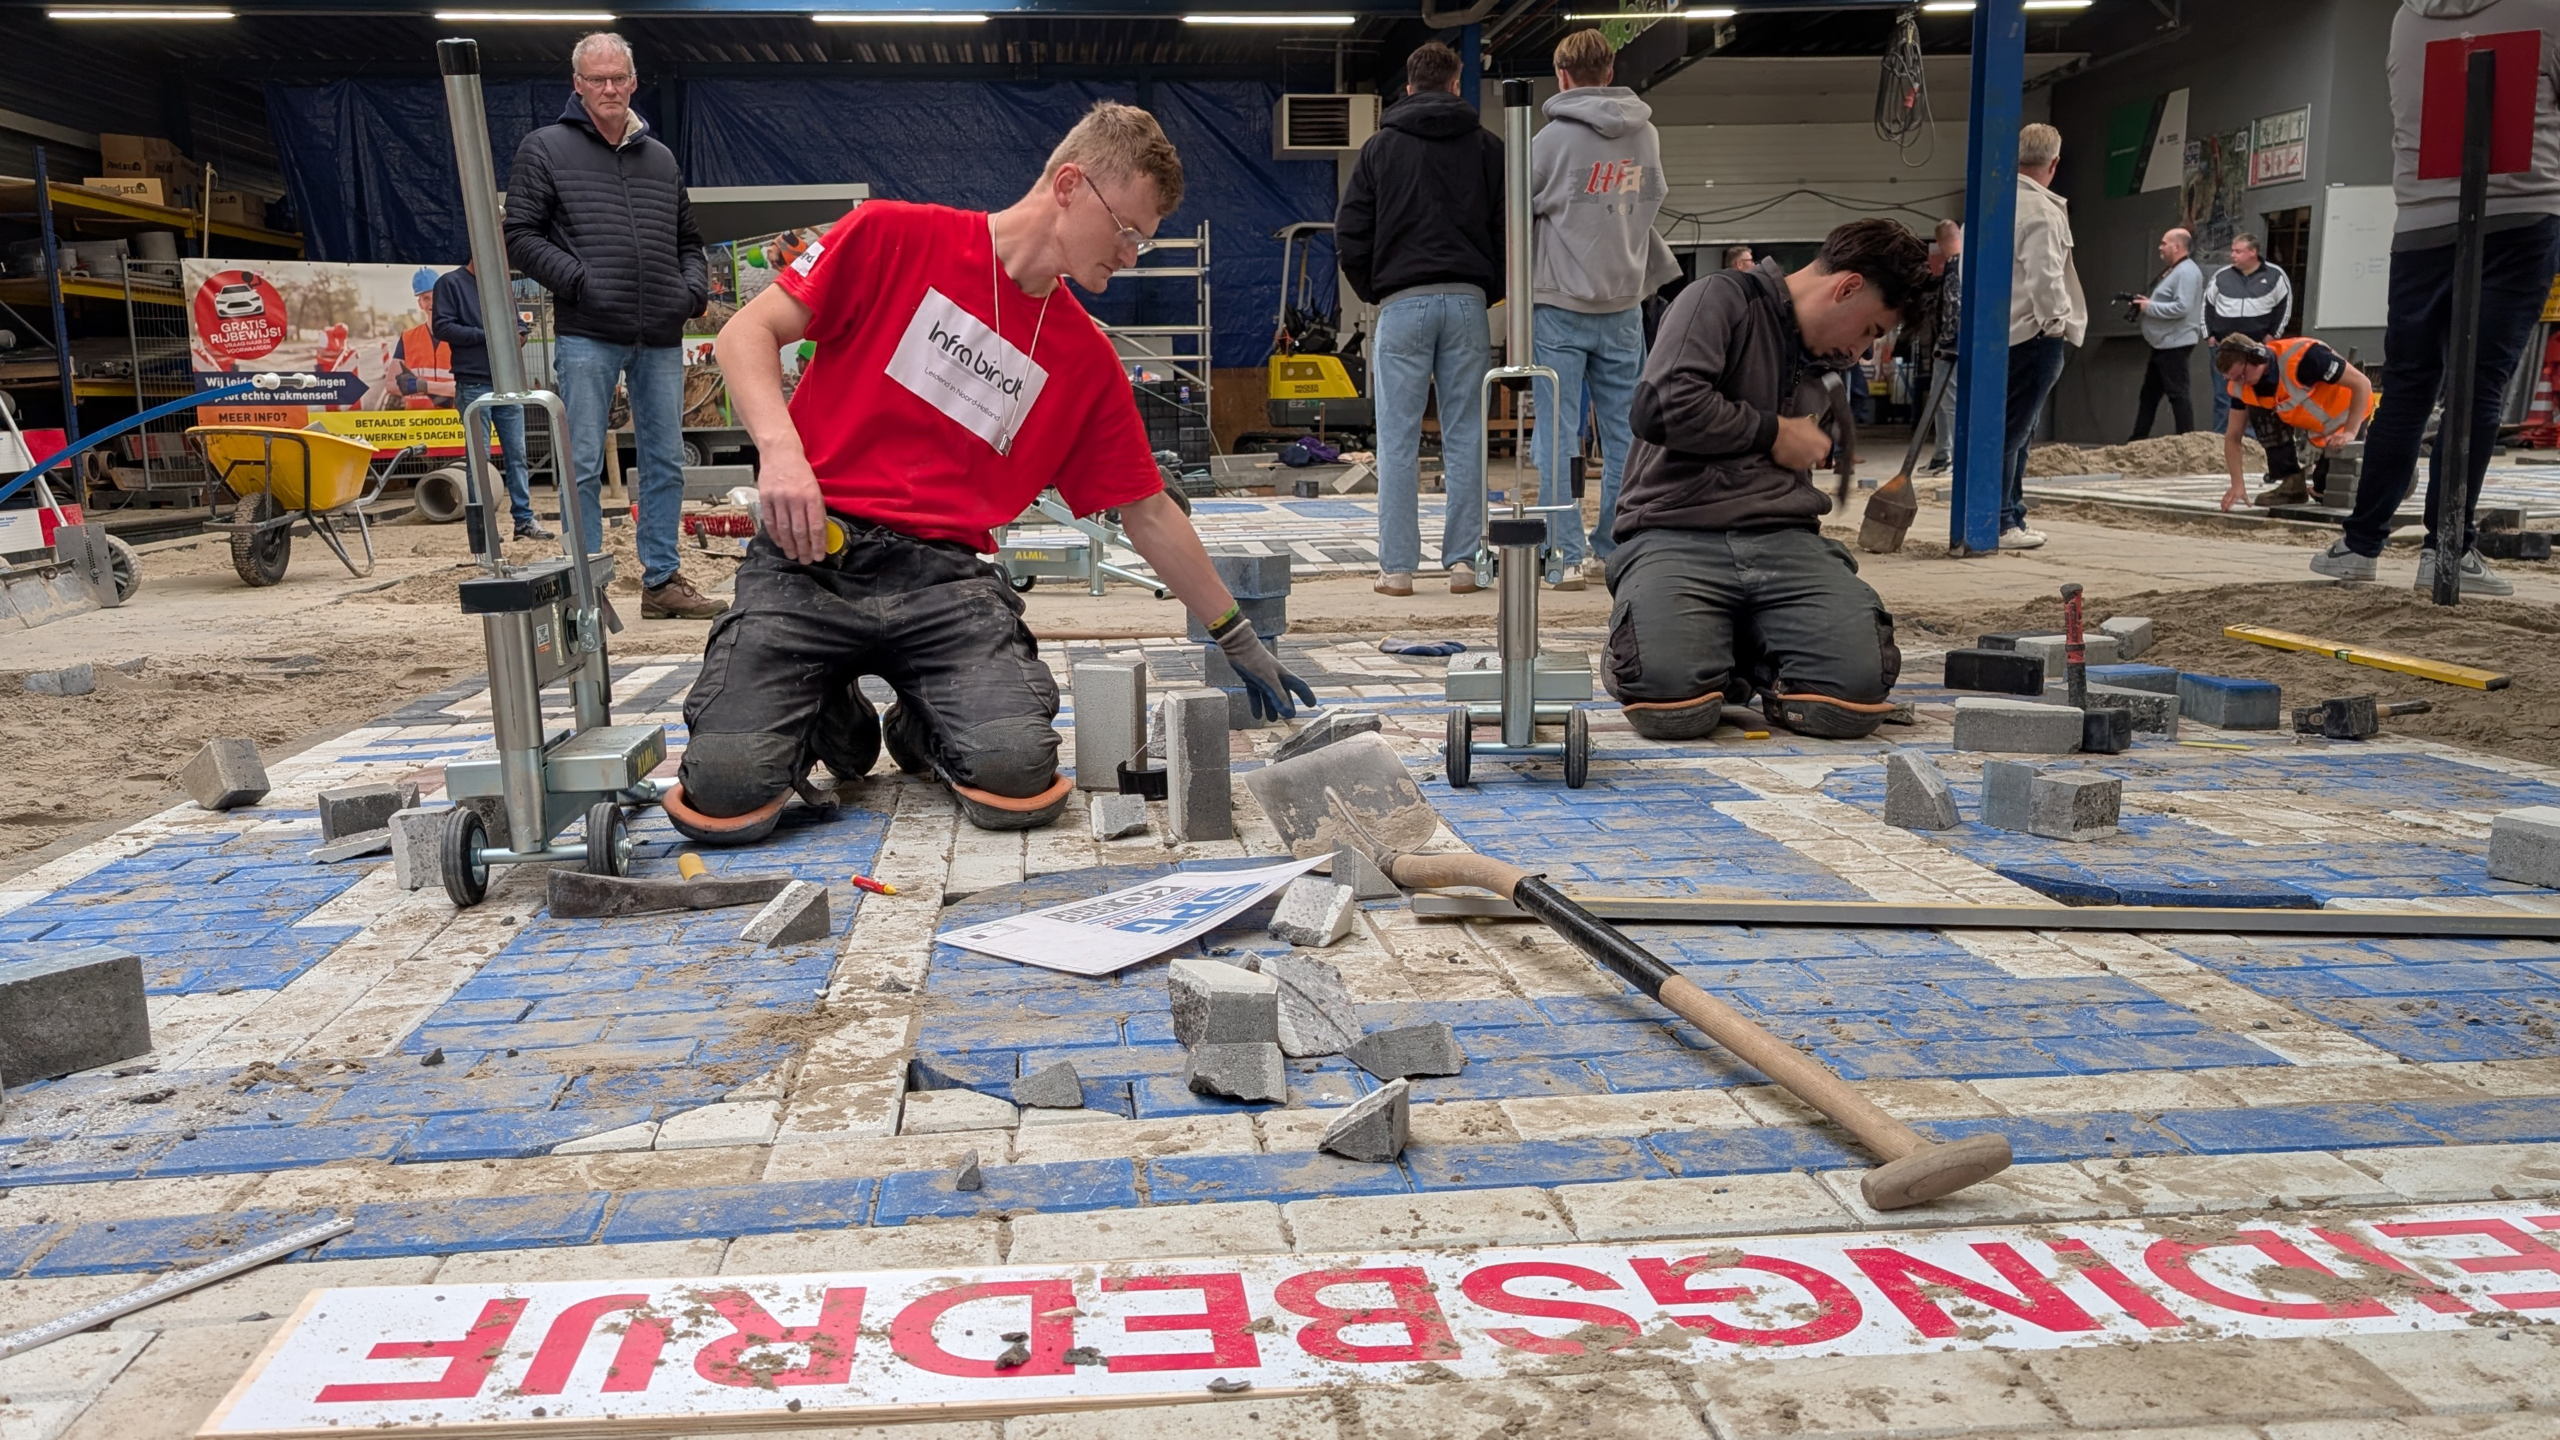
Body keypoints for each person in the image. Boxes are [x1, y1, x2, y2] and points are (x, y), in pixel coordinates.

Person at [674, 102, 1313, 844]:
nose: (1133, 254)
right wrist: (781, 452)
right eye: (1129, 231)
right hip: (809, 558)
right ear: (1070, 185)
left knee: (1016, 774)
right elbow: (745, 332)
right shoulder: (890, 235)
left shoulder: (1083, 361)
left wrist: (1236, 636)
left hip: (942, 583)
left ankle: (925, 721)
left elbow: (1150, 512)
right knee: (722, 792)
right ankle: (829, 706)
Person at [1603, 218, 1932, 743]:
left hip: (1784, 542)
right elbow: (1659, 407)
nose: (1862, 350)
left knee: (1849, 701)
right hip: (1676, 531)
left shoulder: (1823, 360)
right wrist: (1771, 432)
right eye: (1870, 329)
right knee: (1668, 706)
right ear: (1846, 287)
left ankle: (1743, 641)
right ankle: (1697, 637)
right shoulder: (1719, 298)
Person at [2311, 0, 2560, 598]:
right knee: (2478, 387)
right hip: (2520, 214)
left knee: (2409, 386)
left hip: (2420, 222)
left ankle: (2361, 544)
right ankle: (2446, 548)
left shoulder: (2406, 18)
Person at [505, 31, 726, 621]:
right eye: (597, 79)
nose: (609, 89)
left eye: (619, 78)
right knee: (579, 461)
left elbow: (688, 240)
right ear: (577, 85)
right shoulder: (545, 148)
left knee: (664, 460)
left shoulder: (660, 157)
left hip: (659, 333)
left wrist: (692, 289)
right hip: (587, 332)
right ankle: (585, 580)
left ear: (633, 81)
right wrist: (581, 282)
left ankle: (661, 582)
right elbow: (520, 236)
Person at [1337, 41, 1505, 599]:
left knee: (1398, 440)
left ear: (1407, 86)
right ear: (1457, 84)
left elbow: (1351, 231)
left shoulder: (1379, 149)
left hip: (1402, 303)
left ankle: (1398, 570)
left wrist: (1378, 289)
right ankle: (1463, 563)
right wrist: (1487, 289)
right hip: (1466, 302)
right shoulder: (1487, 147)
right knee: (1464, 437)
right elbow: (1509, 230)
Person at [1528, 28, 1680, 592]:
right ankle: (1614, 547)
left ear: (1561, 75)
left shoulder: (1547, 142)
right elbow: (1651, 200)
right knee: (1627, 435)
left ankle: (1562, 554)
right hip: (1623, 304)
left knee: (1558, 433)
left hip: (1560, 303)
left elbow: (1517, 213)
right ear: (1610, 70)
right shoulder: (1647, 137)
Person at [2001, 122, 2086, 551]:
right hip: (2034, 336)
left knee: (2009, 429)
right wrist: (2056, 324)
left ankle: (2005, 514)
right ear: (2053, 164)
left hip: (2000, 335)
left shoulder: (1997, 201)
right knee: (2017, 432)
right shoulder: (2041, 211)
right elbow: (2046, 278)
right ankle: (2004, 519)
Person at [431, 260, 550, 541]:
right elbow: (443, 327)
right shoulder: (450, 283)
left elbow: (518, 323)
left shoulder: (501, 285)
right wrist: (490, 337)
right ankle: (484, 527)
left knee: (517, 454)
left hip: (508, 382)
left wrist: (519, 334)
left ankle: (523, 521)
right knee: (478, 458)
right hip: (473, 381)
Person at [2214, 333, 2375, 513]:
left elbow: (2362, 384)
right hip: (2318, 428)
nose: (2240, 383)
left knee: (2326, 489)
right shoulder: (2242, 387)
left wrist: (2350, 433)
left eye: (2242, 375)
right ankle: (2291, 484)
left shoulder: (2306, 358)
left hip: (2350, 416)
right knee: (2258, 409)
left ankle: (2392, 471)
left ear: (2257, 356)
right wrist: (2237, 485)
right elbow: (2233, 436)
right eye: (2232, 379)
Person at [2205, 231, 2292, 435]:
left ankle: (2253, 441)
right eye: (2232, 251)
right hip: (2223, 346)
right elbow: (2207, 304)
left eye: (2238, 251)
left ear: (2253, 252)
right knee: (2222, 394)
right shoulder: (2221, 276)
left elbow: (2284, 306)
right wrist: (2208, 335)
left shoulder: (2275, 275)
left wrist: (2272, 336)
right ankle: (2221, 439)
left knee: (2255, 393)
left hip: (2256, 349)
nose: (2232, 255)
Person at [2128, 226, 2204, 439]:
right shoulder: (2176, 271)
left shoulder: (2187, 272)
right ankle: (2137, 440)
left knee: (2177, 394)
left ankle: (2187, 441)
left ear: (2177, 246)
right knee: (2149, 395)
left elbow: (2182, 307)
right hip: (2163, 343)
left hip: (2175, 343)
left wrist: (2148, 307)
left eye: (2164, 243)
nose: (2160, 248)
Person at [1917, 220, 1961, 475]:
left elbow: (1954, 310)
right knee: (1941, 400)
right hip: (1954, 345)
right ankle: (1943, 455)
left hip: (1951, 347)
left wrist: (1946, 342)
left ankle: (1952, 457)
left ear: (1941, 243)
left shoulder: (1956, 266)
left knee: (1949, 402)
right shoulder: (1966, 264)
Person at [386, 268, 453, 412]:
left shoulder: (460, 335)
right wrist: (443, 390)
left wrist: (421, 386)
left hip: (454, 423)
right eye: (426, 298)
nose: (432, 303)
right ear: (420, 303)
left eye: (436, 296)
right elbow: (391, 384)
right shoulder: (407, 337)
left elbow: (471, 387)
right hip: (417, 426)